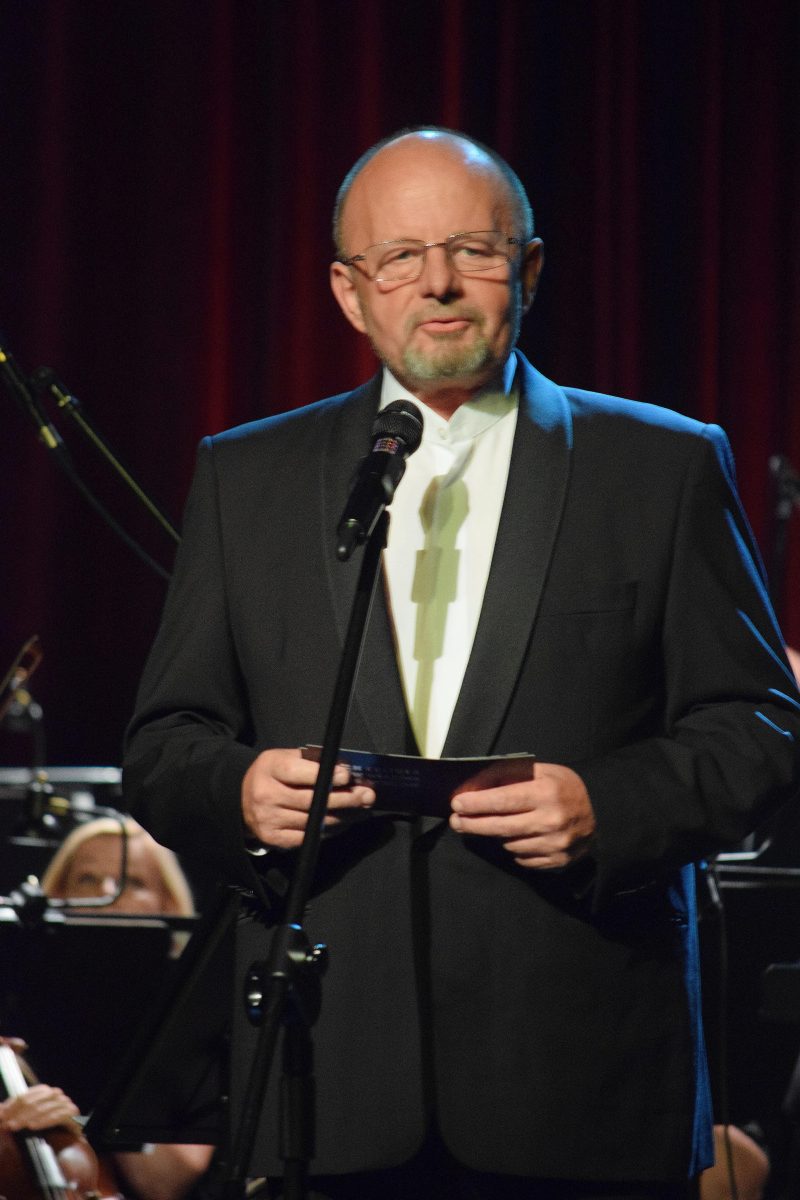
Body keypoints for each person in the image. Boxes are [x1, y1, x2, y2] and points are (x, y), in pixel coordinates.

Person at [122, 127, 800, 1199]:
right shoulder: (246, 477)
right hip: (327, 1080)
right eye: (398, 257)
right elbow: (165, 746)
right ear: (349, 293)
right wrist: (240, 787)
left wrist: (609, 807)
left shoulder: (663, 465)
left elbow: (758, 729)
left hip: (580, 1079)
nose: (436, 283)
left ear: (528, 268)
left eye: (472, 250)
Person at [0, 817, 214, 1200]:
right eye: (87, 879)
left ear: (167, 903)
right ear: (58, 893)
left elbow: (165, 1183)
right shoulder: (17, 996)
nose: (106, 893)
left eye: (133, 882)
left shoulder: (191, 1020)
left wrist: (79, 1124)